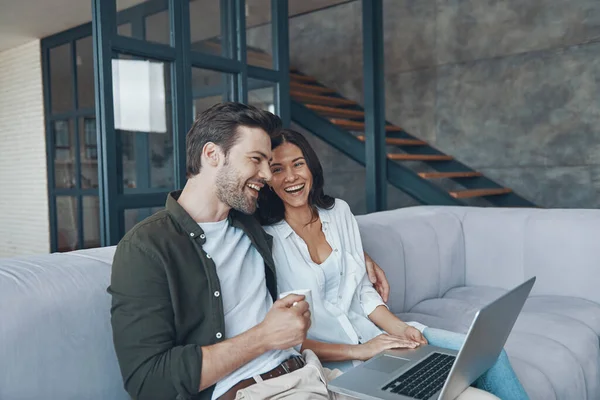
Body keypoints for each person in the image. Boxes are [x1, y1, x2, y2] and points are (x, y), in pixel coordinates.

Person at [108, 102, 388, 400]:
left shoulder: (250, 220)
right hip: (252, 392)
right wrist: (264, 337)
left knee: (430, 386)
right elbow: (148, 381)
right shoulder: (146, 248)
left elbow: (310, 224)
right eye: (257, 160)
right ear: (212, 155)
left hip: (311, 373)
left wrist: (358, 256)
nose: (267, 174)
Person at [256, 128, 529, 400]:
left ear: (311, 166)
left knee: (487, 353)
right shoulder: (266, 240)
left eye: (298, 164)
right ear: (266, 179)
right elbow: (287, 338)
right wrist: (360, 351)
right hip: (337, 366)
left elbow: (363, 293)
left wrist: (401, 329)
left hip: (381, 340)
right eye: (278, 169)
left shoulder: (338, 213)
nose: (291, 177)